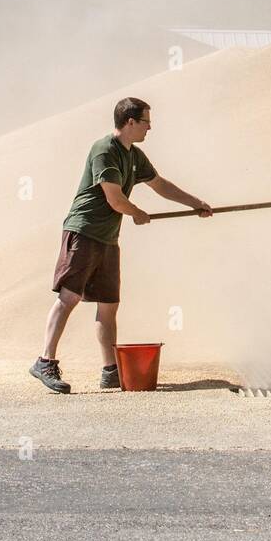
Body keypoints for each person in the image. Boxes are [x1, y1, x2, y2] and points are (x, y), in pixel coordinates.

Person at [29, 96, 212, 393]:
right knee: (69, 297)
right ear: (129, 122)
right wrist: (137, 213)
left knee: (109, 305)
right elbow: (114, 199)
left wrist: (195, 203)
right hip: (84, 231)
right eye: (145, 122)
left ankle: (110, 370)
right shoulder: (104, 150)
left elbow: (160, 184)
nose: (150, 128)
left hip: (108, 238)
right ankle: (44, 360)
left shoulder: (134, 155)